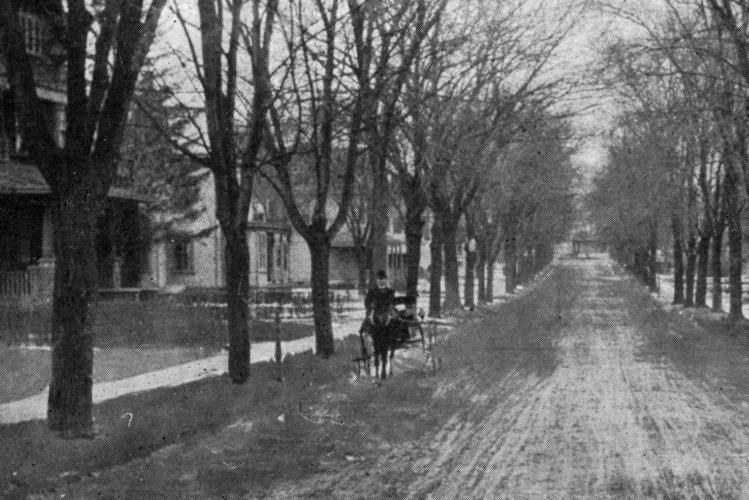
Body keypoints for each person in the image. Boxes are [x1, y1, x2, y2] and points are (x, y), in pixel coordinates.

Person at [364, 269, 396, 379]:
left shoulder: (390, 292)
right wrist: (370, 308)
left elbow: (391, 303)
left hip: (386, 317)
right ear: (377, 281)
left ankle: (384, 367)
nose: (381, 282)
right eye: (379, 280)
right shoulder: (372, 292)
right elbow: (367, 303)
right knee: (367, 329)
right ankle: (369, 349)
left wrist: (388, 309)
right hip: (375, 317)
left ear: (386, 280)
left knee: (393, 326)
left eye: (383, 280)